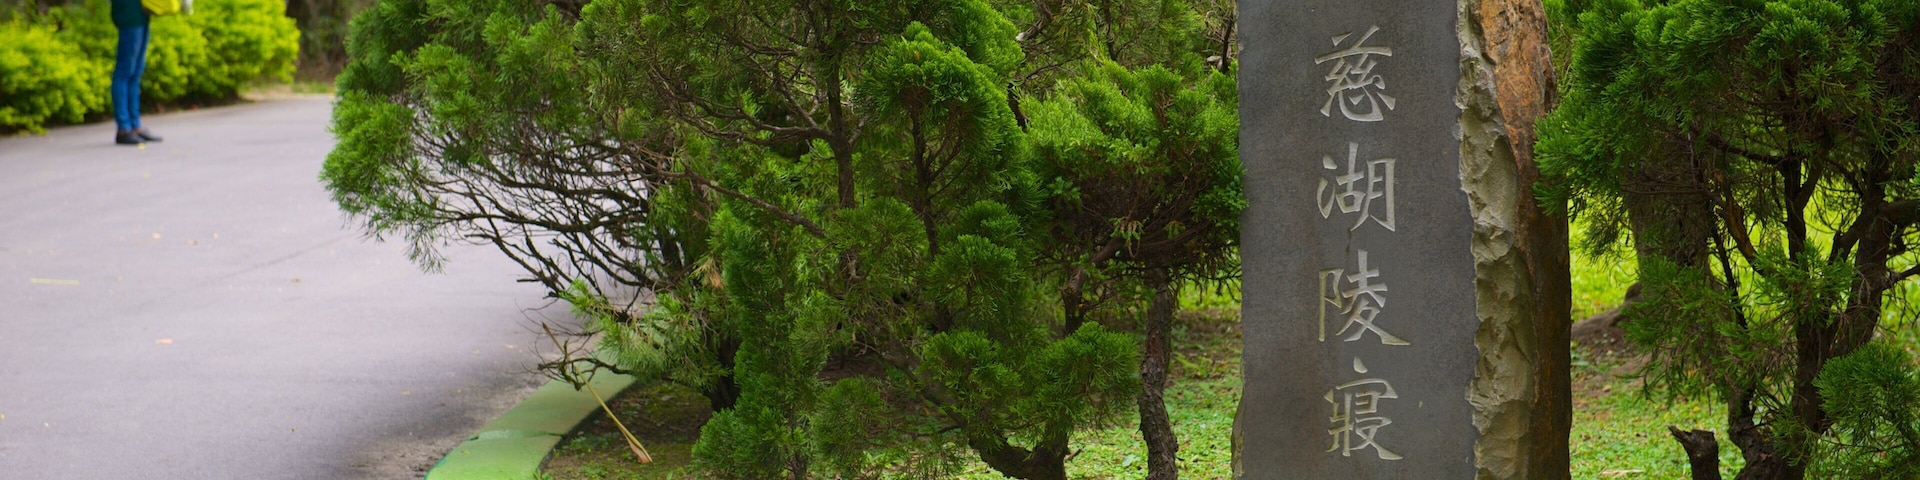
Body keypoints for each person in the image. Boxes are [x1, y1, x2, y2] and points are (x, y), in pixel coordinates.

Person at [111, 0, 162, 145]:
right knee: (124, 71)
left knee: (136, 72)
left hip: (141, 14)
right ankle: (124, 128)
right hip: (129, 15)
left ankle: (135, 125)